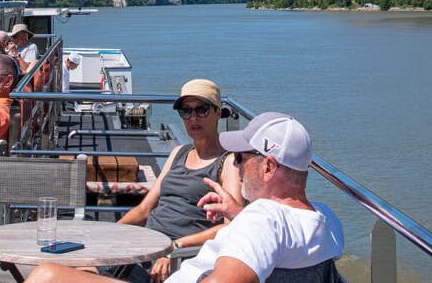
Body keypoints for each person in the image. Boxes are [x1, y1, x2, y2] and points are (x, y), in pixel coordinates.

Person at [25, 112, 344, 283]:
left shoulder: (263, 221)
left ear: (269, 166)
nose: (237, 166)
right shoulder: (327, 222)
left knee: (46, 275)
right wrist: (238, 213)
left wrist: (246, 219)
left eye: (241, 159)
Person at [114, 80, 242, 283]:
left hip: (180, 257)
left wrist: (176, 246)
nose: (193, 118)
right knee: (87, 268)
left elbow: (229, 226)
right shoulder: (178, 153)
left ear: (218, 112)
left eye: (202, 110)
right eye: (186, 111)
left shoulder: (228, 162)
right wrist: (110, 233)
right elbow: (144, 210)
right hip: (148, 246)